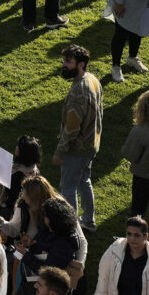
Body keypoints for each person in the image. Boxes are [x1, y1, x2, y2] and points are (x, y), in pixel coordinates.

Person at [57, 44, 106, 233]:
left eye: (68, 62)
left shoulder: (78, 92)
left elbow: (71, 128)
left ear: (81, 64)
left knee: (67, 187)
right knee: (84, 181)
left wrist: (60, 151)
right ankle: (89, 221)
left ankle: (72, 228)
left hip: (76, 149)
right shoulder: (93, 79)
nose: (64, 65)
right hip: (91, 145)